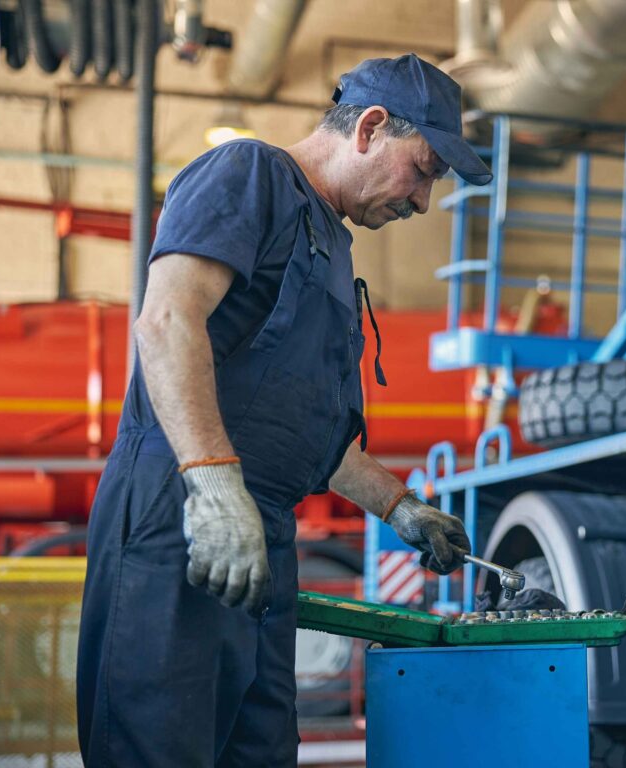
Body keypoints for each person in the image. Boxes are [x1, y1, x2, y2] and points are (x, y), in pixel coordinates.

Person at [76, 53, 492, 766]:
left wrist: (401, 508)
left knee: (260, 752)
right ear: (369, 127)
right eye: (424, 171)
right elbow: (168, 322)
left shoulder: (329, 241)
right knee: (160, 747)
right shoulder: (249, 175)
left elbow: (306, 430)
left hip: (259, 532)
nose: (424, 202)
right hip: (181, 516)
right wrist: (213, 485)